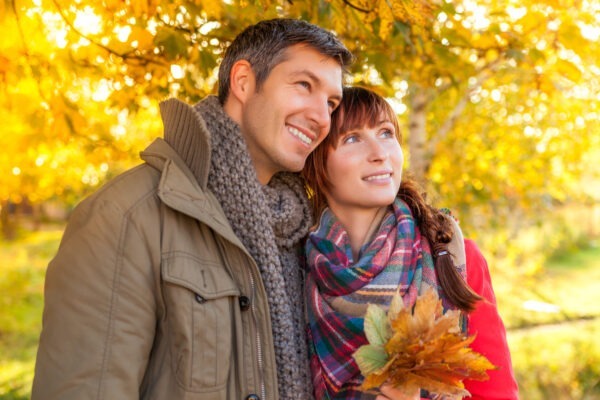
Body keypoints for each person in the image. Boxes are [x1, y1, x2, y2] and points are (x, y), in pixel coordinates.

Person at [32, 18, 353, 400]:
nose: (322, 117)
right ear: (244, 82)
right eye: (304, 85)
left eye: (332, 103)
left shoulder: (311, 232)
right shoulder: (126, 217)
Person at [302, 87, 519, 399]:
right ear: (315, 163)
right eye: (352, 138)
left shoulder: (456, 258)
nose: (380, 152)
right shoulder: (295, 269)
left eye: (386, 133)